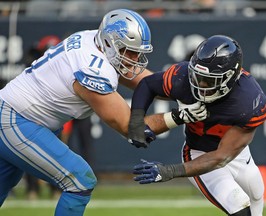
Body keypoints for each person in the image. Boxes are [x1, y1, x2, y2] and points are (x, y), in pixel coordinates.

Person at [0, 9, 189, 216]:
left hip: (23, 117)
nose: (136, 58)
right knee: (79, 181)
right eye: (130, 51)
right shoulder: (91, 68)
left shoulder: (94, 40)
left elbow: (147, 82)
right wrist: (183, 115)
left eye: (138, 52)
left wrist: (191, 92)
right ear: (109, 43)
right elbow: (133, 129)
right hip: (17, 120)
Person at [128, 35, 266, 216]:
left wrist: (170, 171)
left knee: (256, 194)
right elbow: (148, 84)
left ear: (230, 78)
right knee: (239, 206)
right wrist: (136, 119)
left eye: (209, 81)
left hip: (234, 153)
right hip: (198, 152)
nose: (200, 84)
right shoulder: (182, 76)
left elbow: (221, 156)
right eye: (197, 76)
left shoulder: (248, 101)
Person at [23, 34, 63, 200]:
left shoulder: (62, 74)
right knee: (29, 155)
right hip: (32, 116)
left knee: (56, 154)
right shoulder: (32, 71)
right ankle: (32, 189)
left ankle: (55, 189)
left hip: (53, 119)